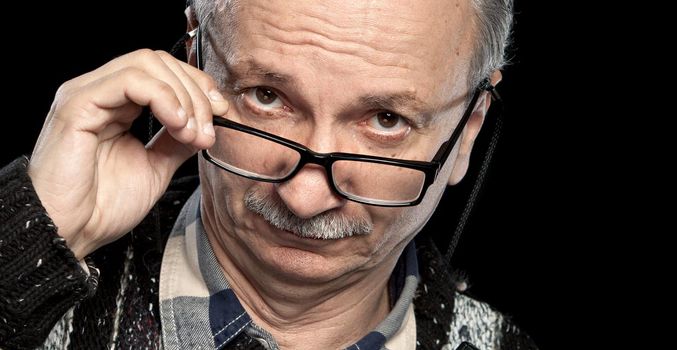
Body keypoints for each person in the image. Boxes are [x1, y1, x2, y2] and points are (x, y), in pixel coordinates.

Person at [0, 0, 535, 349]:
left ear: (468, 131)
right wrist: (27, 248)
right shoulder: (31, 296)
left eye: (386, 121)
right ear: (194, 57)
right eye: (267, 97)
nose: (304, 197)